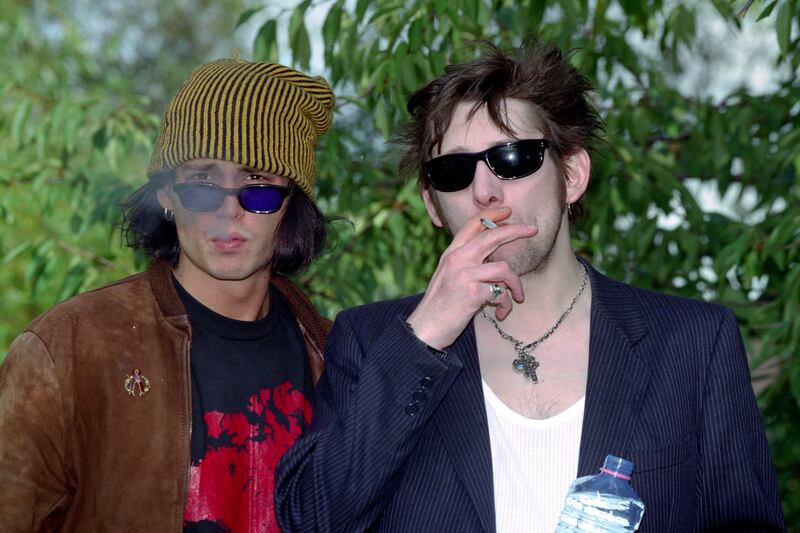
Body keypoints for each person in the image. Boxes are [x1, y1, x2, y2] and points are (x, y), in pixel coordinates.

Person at [275, 40, 785, 532]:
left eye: (513, 157)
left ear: (573, 174)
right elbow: (313, 519)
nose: (484, 191)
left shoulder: (694, 341)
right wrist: (423, 336)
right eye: (453, 171)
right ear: (432, 204)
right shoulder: (370, 341)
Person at [0, 58, 335, 532]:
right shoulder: (68, 349)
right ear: (167, 195)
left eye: (257, 186)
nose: (229, 209)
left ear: (291, 203)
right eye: (202, 183)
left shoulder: (339, 358)